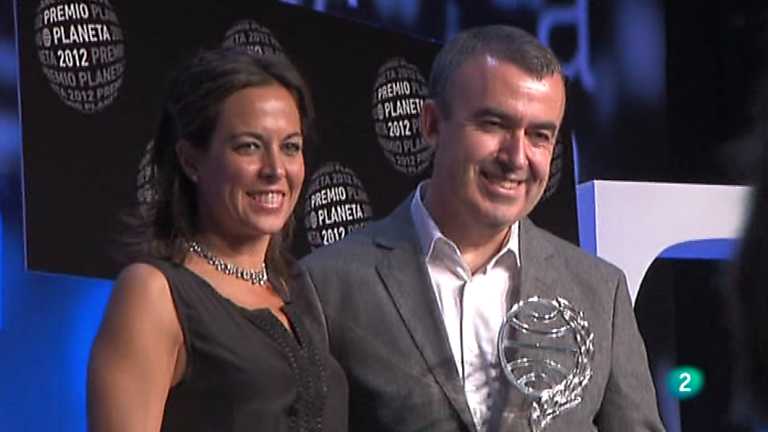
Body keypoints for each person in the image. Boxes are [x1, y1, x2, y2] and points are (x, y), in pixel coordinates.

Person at [299, 25, 664, 431]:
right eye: (493, 124)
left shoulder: (600, 293)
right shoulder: (327, 285)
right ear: (432, 124)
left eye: (539, 135)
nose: (516, 157)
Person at [87, 48, 348, 432]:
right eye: (249, 146)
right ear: (191, 160)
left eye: (290, 147)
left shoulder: (301, 293)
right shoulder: (154, 293)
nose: (275, 169)